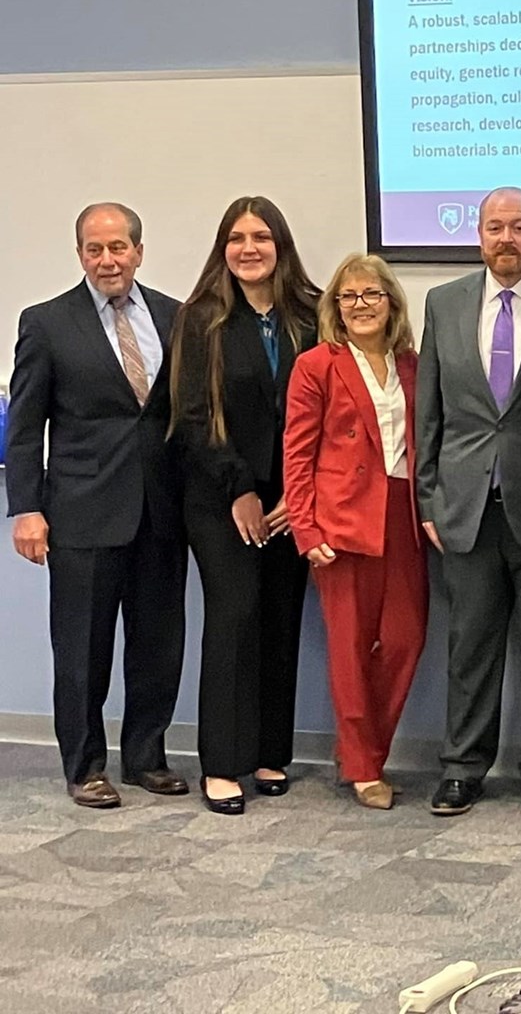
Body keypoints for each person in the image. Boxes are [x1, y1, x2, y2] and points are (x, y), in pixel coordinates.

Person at [5, 203, 188, 807]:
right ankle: (84, 765)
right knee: (82, 650)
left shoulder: (175, 316)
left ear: (139, 250)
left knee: (158, 644)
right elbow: (27, 428)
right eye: (94, 249)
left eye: (118, 247)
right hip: (81, 512)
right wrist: (26, 508)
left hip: (161, 511)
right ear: (80, 254)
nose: (107, 259)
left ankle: (145, 758)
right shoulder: (47, 322)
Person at [417, 188, 521, 820]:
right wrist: (429, 497)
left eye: (517, 227)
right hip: (465, 505)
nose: (505, 238)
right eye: (494, 228)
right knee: (470, 648)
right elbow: (430, 409)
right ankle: (462, 768)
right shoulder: (444, 301)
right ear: (478, 235)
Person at [169, 196, 318, 816]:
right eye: (236, 238)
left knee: (282, 620)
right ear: (222, 249)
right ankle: (222, 764)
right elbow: (192, 416)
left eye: (261, 236)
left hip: (294, 500)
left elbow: (324, 413)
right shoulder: (200, 318)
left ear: (280, 245)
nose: (249, 248)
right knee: (234, 617)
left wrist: (296, 494)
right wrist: (242, 490)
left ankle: (268, 754)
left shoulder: (310, 315)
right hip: (220, 500)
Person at [283, 253, 426, 810]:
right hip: (341, 518)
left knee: (404, 639)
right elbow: (296, 452)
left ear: (391, 302)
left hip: (403, 512)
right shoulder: (317, 365)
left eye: (371, 294)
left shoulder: (413, 364)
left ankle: (365, 749)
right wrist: (304, 524)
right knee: (348, 646)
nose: (360, 305)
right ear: (335, 307)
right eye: (349, 297)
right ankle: (365, 766)